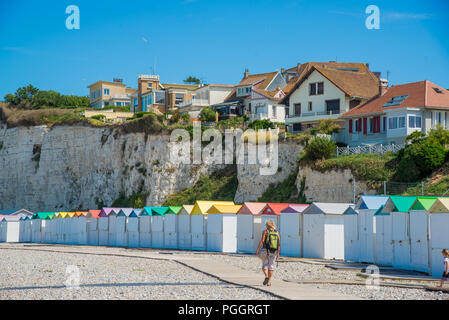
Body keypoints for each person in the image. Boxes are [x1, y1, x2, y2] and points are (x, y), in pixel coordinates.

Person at [255, 219, 280, 286]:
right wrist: (278, 253)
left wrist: (257, 249)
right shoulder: (277, 232)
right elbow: (279, 244)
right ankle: (269, 281)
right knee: (271, 266)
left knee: (264, 265)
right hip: (274, 251)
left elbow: (262, 241)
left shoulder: (265, 231)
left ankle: (266, 276)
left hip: (266, 251)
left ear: (267, 225)